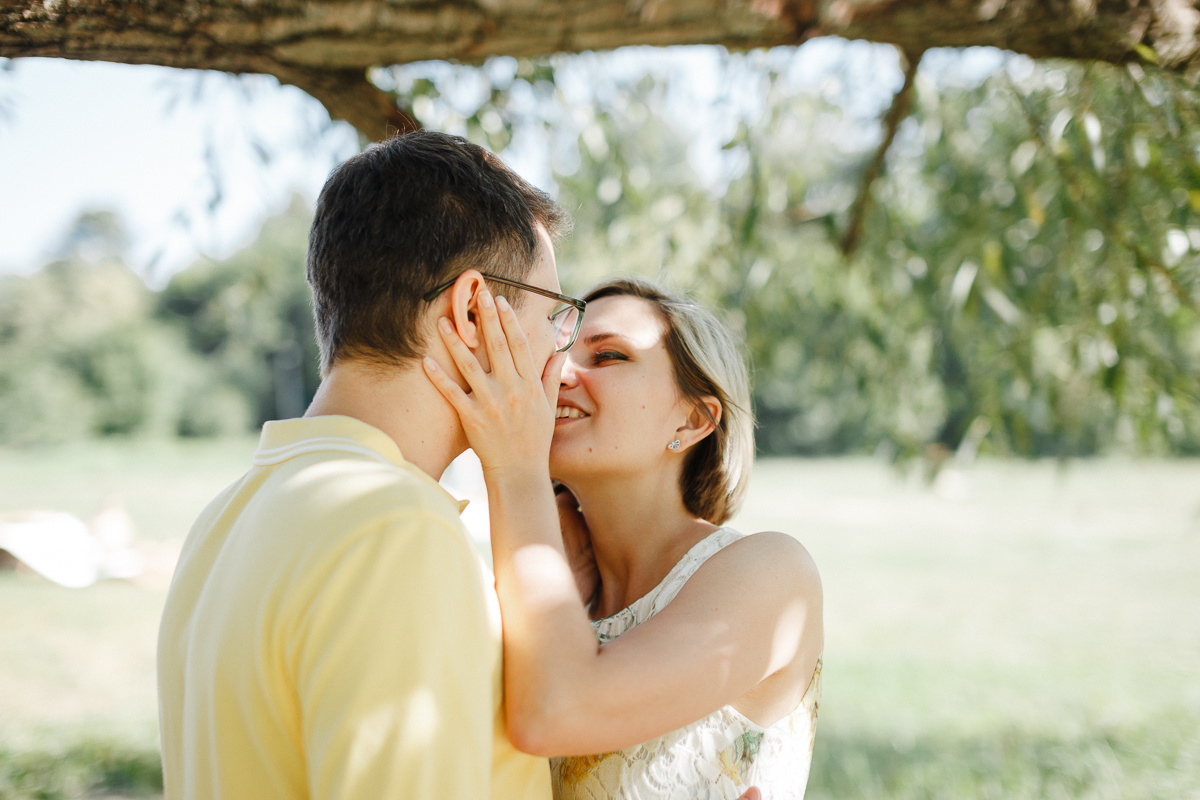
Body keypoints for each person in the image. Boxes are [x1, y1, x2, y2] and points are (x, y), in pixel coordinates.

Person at [156, 130, 579, 800]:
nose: (564, 357)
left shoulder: (229, 515)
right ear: (473, 312)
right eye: (554, 316)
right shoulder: (396, 533)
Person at [424, 279, 824, 798]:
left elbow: (556, 711)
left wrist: (516, 470)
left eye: (608, 355)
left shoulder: (773, 574)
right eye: (560, 350)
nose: (560, 372)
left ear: (695, 417)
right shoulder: (545, 587)